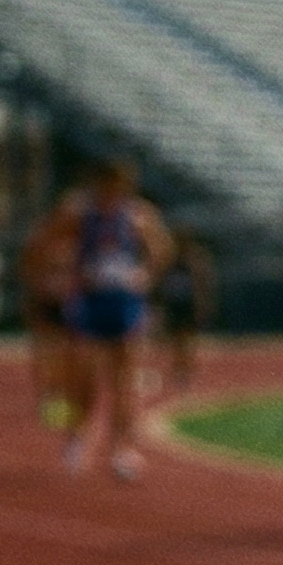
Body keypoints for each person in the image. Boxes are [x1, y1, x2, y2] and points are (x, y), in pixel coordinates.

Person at [61, 158, 174, 480]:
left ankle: (121, 449)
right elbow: (50, 243)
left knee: (124, 380)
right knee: (84, 377)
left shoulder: (138, 215)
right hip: (90, 300)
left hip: (124, 302)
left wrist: (145, 274)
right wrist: (64, 273)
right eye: (106, 185)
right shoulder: (79, 213)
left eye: (118, 186)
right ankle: (78, 437)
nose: (111, 191)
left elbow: (162, 248)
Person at [21, 199, 84, 434]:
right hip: (47, 303)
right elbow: (29, 270)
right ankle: (50, 398)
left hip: (72, 304)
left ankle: (69, 400)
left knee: (72, 356)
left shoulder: (80, 242)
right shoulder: (42, 239)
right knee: (47, 355)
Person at [154, 233, 215, 395]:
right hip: (174, 305)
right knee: (176, 340)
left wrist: (202, 305)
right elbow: (161, 282)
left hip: (188, 305)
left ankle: (186, 370)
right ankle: (178, 369)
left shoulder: (195, 260)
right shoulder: (169, 260)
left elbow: (202, 283)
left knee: (187, 339)